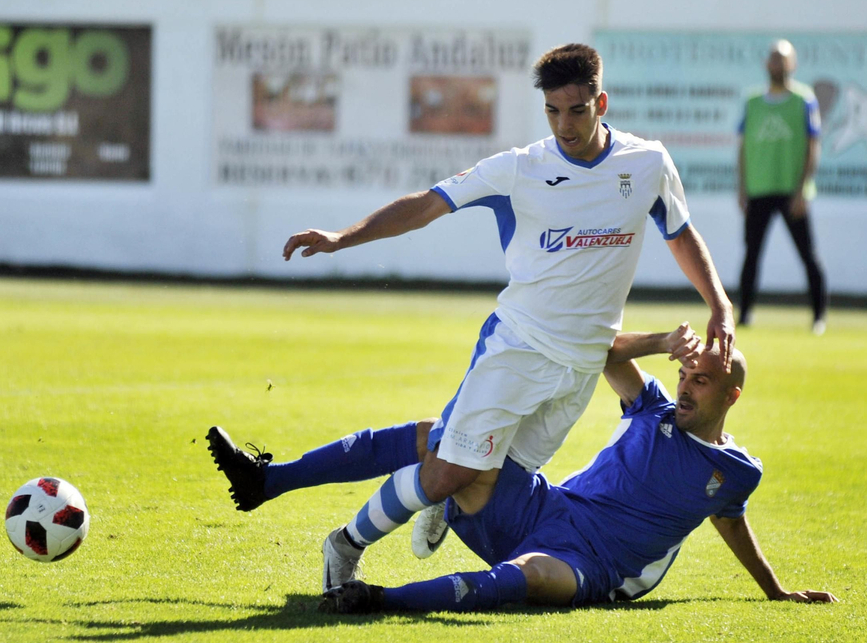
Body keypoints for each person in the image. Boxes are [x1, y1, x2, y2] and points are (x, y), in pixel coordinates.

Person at [280, 43, 736, 591]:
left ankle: (442, 497)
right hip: (519, 346)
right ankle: (346, 544)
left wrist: (719, 303)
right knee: (450, 471)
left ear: (601, 103)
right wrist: (342, 238)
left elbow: (680, 234)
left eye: (577, 110)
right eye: (552, 111)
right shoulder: (521, 168)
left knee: (494, 481)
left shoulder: (646, 164)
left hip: (580, 367)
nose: (564, 125)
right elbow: (427, 204)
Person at [207, 323, 833, 613]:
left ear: (732, 396)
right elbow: (598, 348)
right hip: (543, 506)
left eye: (703, 380)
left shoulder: (737, 471)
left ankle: (375, 598)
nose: (687, 387)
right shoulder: (652, 410)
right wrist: (659, 343)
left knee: (530, 580)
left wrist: (774, 590)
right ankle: (269, 480)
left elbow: (730, 521)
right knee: (445, 436)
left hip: (593, 565)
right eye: (686, 375)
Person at [736, 40, 827, 334]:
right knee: (751, 255)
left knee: (808, 255)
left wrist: (803, 189)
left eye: (783, 59)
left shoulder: (804, 100)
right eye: (774, 58)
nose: (778, 64)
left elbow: (813, 146)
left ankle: (819, 317)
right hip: (759, 189)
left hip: (792, 191)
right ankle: (745, 315)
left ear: (793, 64)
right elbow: (742, 147)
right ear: (767, 64)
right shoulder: (752, 102)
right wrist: (742, 188)